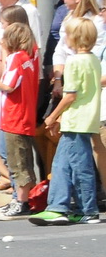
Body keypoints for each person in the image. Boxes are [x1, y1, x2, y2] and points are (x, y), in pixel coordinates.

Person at [33, 16, 102, 225]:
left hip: (76, 120)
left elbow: (70, 95)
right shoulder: (93, 60)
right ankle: (59, 206)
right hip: (86, 119)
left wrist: (52, 116)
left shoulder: (73, 62)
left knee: (77, 166)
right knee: (63, 164)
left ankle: (84, 209)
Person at [0, 19, 40, 219]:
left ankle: (21, 201)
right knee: (20, 159)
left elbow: (9, 85)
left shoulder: (17, 58)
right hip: (22, 116)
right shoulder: (28, 57)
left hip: (15, 117)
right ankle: (22, 199)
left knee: (17, 162)